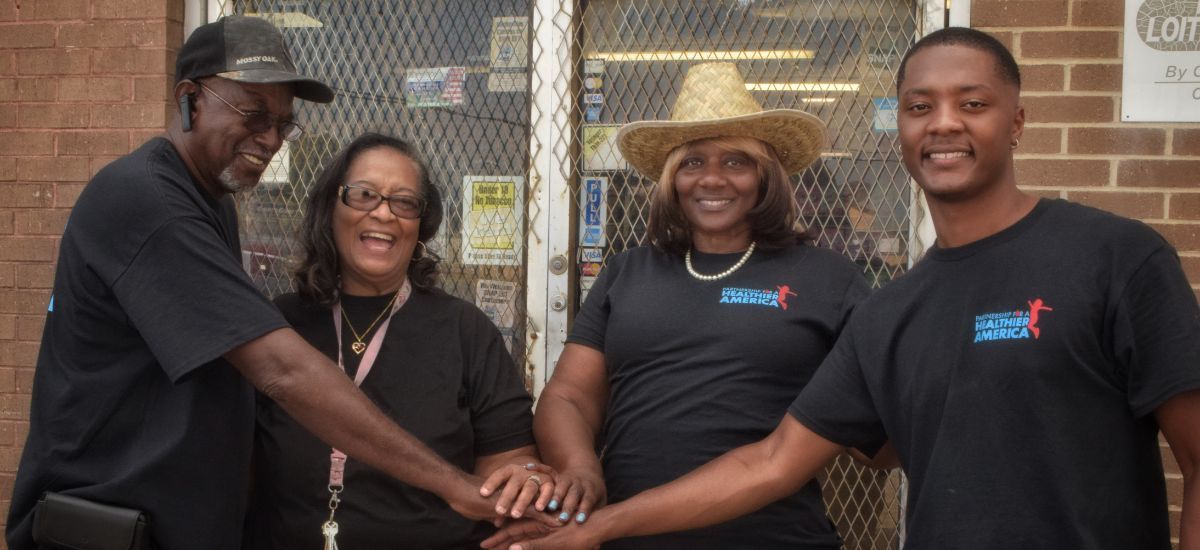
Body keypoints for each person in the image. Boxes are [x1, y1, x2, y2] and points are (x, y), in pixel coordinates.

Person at [494, 27, 1200, 550]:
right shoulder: (893, 310)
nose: (944, 122)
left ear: (1016, 123)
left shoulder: (1113, 257)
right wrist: (598, 523)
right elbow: (772, 461)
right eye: (920, 106)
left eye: (972, 102)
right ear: (902, 130)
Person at [5, 17, 544, 550]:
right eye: (254, 113)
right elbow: (281, 370)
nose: (269, 139)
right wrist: (454, 486)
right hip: (108, 527)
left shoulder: (212, 205)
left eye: (283, 125)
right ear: (190, 99)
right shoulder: (147, 200)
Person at [513, 62, 874, 549]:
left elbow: (873, 429)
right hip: (624, 538)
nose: (712, 179)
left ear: (765, 176)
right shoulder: (627, 272)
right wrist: (580, 467)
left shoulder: (827, 278)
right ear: (672, 179)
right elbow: (569, 397)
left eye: (736, 162)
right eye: (692, 162)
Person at [244, 133, 550, 548]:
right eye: (364, 195)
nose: (384, 213)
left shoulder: (465, 330)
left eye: (404, 202)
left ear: (421, 225)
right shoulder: (278, 326)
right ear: (330, 209)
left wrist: (522, 481)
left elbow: (510, 465)